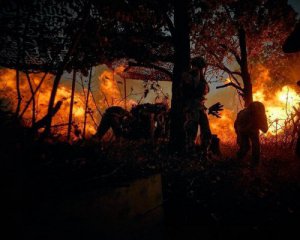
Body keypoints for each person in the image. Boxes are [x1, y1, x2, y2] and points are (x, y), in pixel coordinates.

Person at [182, 56, 212, 157]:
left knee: (206, 132)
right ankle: (190, 155)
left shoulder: (199, 77)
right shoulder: (189, 76)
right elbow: (194, 90)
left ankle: (204, 153)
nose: (201, 70)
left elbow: (206, 90)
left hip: (199, 107)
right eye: (200, 67)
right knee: (191, 132)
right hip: (191, 108)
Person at [234, 101, 268, 167]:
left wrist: (258, 123)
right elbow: (238, 128)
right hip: (242, 129)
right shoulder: (243, 114)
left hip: (253, 130)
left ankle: (255, 165)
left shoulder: (261, 114)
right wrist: (240, 138)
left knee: (256, 146)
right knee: (245, 147)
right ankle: (238, 161)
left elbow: (265, 129)